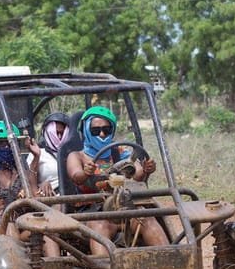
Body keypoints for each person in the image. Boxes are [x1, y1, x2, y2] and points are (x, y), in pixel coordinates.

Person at [66, 106, 168, 254]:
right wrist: (85, 173)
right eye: (95, 130)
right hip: (93, 211)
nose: (102, 134)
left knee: (148, 220)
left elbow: (137, 174)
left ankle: (170, 259)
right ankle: (104, 266)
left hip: (125, 208)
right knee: (99, 227)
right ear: (85, 130)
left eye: (106, 130)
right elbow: (76, 176)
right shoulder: (77, 156)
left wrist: (145, 169)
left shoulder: (119, 152)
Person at [30, 112, 71, 197]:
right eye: (56, 133)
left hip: (74, 197)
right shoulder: (37, 153)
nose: (59, 137)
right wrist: (41, 186)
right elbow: (29, 183)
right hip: (49, 199)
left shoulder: (73, 153)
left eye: (62, 133)